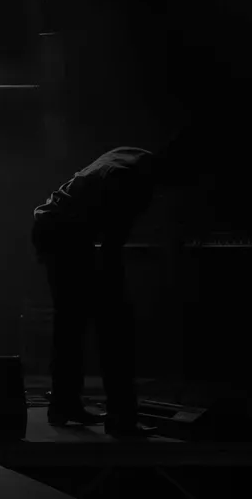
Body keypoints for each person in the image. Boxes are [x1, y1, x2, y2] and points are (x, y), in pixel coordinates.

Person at [32, 139, 192, 437]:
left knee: (71, 323)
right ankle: (121, 419)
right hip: (65, 236)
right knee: (114, 329)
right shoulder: (134, 181)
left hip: (52, 229)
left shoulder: (131, 156)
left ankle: (65, 405)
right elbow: (110, 248)